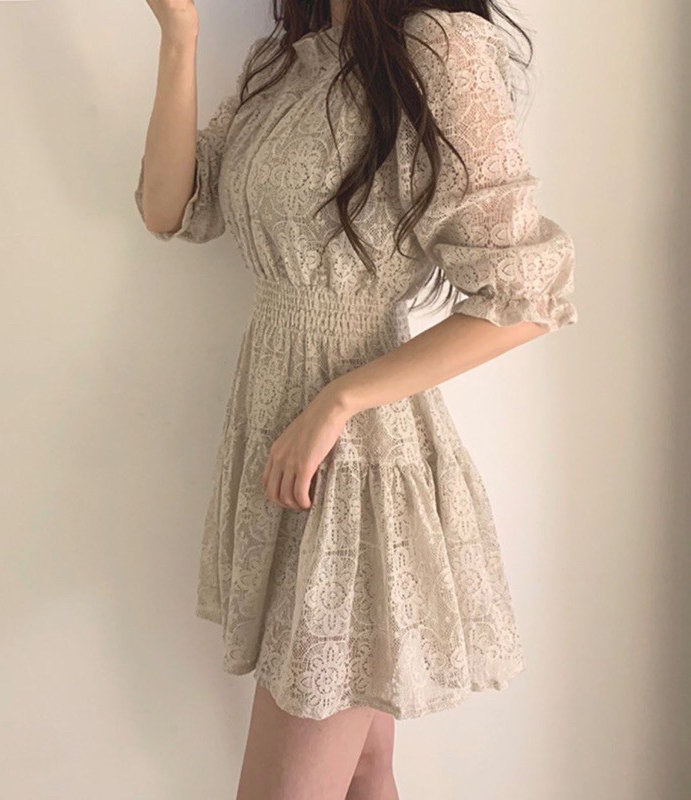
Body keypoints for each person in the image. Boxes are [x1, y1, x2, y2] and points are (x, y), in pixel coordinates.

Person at [135, 1, 578, 797]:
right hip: (278, 432)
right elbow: (169, 207)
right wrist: (180, 35)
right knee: (366, 767)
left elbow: (527, 298)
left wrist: (340, 401)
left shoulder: (438, 46)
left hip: (360, 461)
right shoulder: (288, 60)